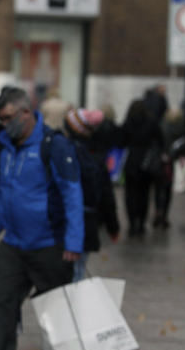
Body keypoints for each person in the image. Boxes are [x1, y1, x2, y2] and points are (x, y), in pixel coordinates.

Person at [0, 88, 85, 350]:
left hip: (49, 244)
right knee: (1, 303)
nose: (3, 124)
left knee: (56, 308)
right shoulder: (7, 149)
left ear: (26, 113)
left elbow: (72, 194)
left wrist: (74, 243)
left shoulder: (53, 145)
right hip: (13, 243)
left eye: (8, 117)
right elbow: (2, 195)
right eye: (0, 119)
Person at [62, 107, 120, 280]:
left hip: (68, 222)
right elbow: (106, 194)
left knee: (68, 274)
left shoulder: (64, 152)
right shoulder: (96, 156)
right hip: (87, 223)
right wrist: (113, 226)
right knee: (77, 272)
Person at [120, 99, 164, 237]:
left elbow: (121, 141)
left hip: (132, 160)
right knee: (144, 194)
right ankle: (141, 223)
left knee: (130, 194)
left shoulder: (128, 123)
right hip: (147, 162)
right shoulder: (151, 122)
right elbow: (160, 140)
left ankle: (132, 223)